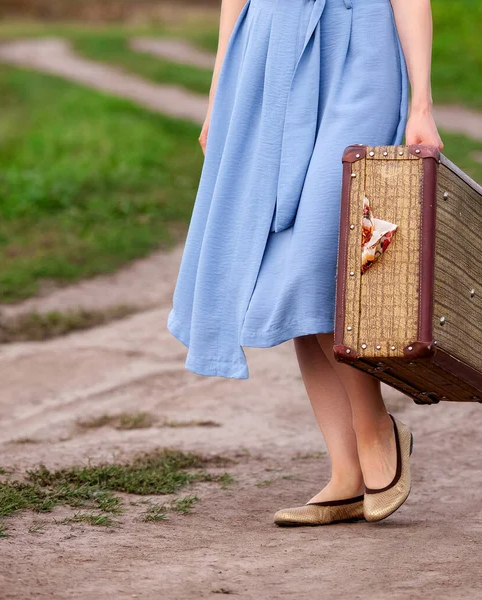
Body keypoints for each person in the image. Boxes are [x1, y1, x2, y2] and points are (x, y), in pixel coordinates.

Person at [168, 0, 444, 526]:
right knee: (286, 264)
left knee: (318, 250)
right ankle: (345, 473)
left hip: (360, 50)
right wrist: (218, 94)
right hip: (267, 49)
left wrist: (421, 103)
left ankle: (376, 431)